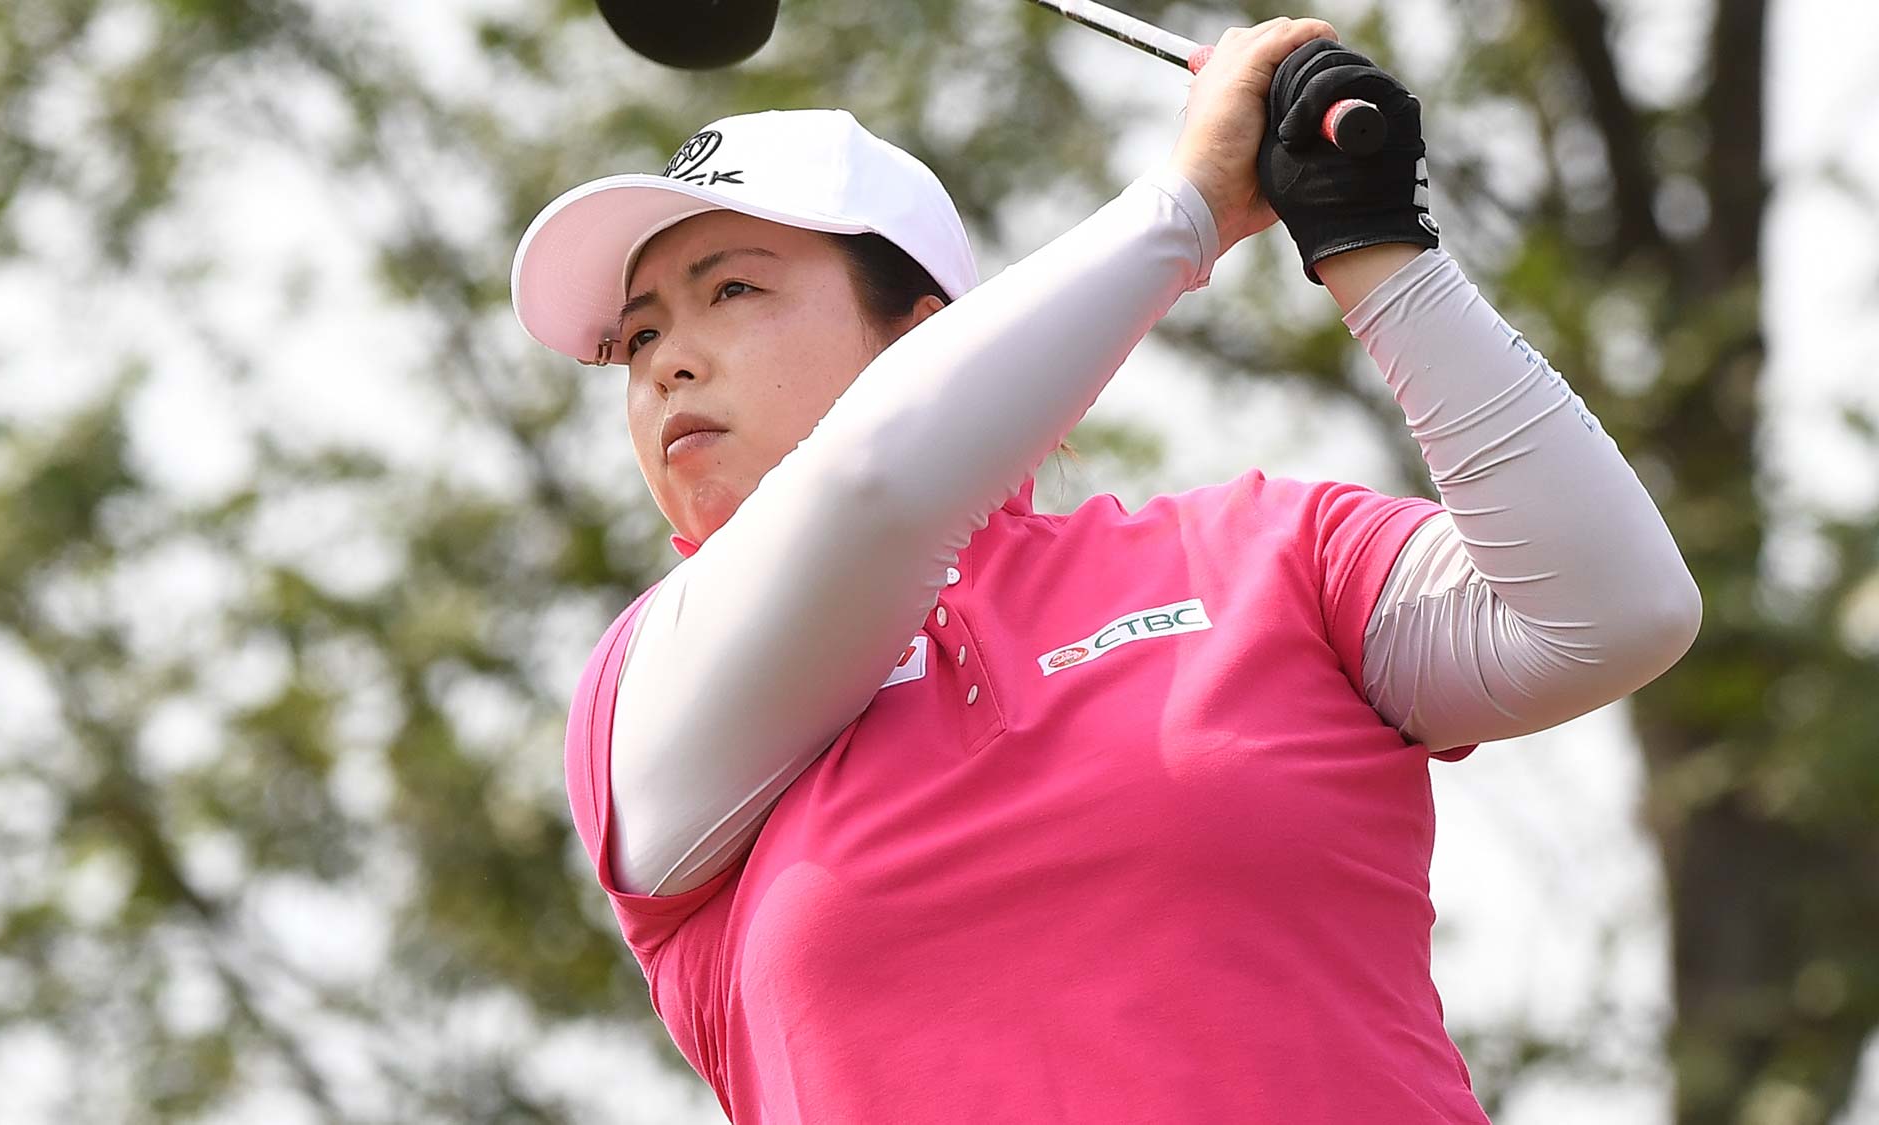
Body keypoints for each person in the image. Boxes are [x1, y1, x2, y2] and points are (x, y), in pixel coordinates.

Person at [513, 18, 1700, 1124]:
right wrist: (1186, 208)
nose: (666, 363)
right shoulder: (644, 698)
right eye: (637, 335)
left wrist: (1368, 243)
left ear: (925, 333)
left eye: (731, 289)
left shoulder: (1262, 559)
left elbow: (1610, 613)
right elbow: (874, 490)